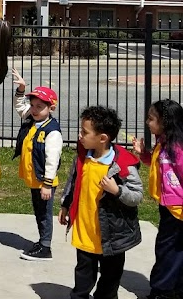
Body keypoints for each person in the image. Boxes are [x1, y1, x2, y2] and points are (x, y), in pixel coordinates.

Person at [60, 105, 142, 299]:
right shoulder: (83, 156)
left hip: (113, 237)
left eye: (84, 132)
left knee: (109, 282)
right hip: (85, 233)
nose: (80, 136)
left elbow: (136, 195)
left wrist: (117, 190)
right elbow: (73, 181)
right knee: (83, 279)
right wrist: (65, 205)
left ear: (102, 138)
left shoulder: (123, 165)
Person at [132, 98, 183, 299]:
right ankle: (175, 288)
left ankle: (162, 290)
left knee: (167, 249)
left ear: (165, 122)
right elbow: (158, 164)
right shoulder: (164, 142)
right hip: (168, 206)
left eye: (151, 119)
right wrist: (142, 154)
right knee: (174, 248)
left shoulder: (177, 147)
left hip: (177, 208)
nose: (147, 122)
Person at [12, 66, 62, 261]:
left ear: (51, 108)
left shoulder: (52, 132)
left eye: (39, 107)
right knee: (38, 211)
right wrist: (21, 90)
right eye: (32, 105)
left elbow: (52, 159)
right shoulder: (33, 120)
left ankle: (45, 247)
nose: (34, 110)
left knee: (44, 214)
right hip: (35, 179)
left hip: (44, 182)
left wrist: (47, 184)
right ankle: (42, 240)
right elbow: (20, 107)